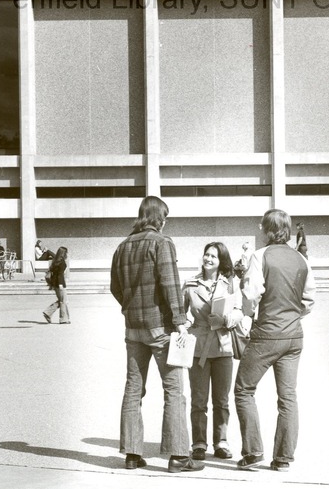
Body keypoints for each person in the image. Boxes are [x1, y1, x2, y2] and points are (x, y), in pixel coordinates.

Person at [110, 195, 203, 474]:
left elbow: (115, 287)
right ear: (158, 217)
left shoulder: (122, 246)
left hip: (133, 329)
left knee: (133, 389)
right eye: (165, 216)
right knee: (174, 390)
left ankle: (132, 454)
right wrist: (180, 321)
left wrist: (130, 307)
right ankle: (177, 456)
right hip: (161, 328)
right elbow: (171, 285)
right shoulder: (162, 243)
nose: (165, 222)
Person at [234, 209, 316, 472]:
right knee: (288, 397)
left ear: (269, 230)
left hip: (267, 334)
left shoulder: (260, 256)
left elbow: (252, 293)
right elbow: (309, 300)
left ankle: (252, 450)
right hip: (293, 335)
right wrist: (293, 316)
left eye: (263, 227)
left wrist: (247, 314)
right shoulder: (301, 259)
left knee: (244, 390)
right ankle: (283, 458)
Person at [182, 241, 245, 461]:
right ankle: (199, 443)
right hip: (199, 348)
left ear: (221, 262)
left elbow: (240, 311)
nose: (208, 259)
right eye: (206, 254)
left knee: (222, 400)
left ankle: (221, 442)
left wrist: (226, 319)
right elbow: (179, 314)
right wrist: (186, 328)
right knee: (198, 399)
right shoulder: (190, 283)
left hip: (223, 346)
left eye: (214, 257)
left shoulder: (230, 284)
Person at [42, 246, 69, 324]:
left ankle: (48, 313)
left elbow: (54, 273)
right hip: (60, 284)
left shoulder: (55, 261)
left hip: (55, 284)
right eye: (66, 252)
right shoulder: (62, 262)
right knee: (63, 301)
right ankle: (63, 319)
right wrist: (61, 284)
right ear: (64, 254)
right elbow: (60, 274)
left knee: (61, 300)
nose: (67, 254)